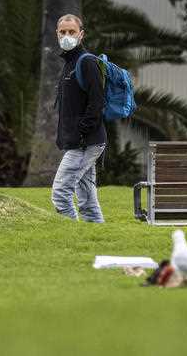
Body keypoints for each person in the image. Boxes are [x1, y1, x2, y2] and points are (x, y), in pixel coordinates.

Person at [50, 13, 106, 223]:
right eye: (62, 32)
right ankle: (95, 235)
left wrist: (81, 131)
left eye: (71, 32)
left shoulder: (87, 62)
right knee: (87, 200)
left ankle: (70, 234)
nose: (67, 36)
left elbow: (97, 102)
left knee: (60, 194)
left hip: (85, 142)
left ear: (81, 35)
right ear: (57, 34)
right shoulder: (68, 63)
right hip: (78, 141)